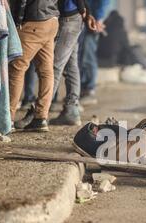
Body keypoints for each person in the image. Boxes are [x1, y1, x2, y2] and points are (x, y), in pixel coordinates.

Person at [9, 0, 60, 132]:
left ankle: (7, 118)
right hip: (52, 20)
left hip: (33, 21)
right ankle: (41, 118)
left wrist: (17, 21)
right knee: (46, 72)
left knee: (17, 68)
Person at [49, 0, 97, 126]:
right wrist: (86, 11)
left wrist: (83, 9)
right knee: (70, 66)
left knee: (55, 66)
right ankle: (71, 111)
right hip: (73, 17)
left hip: (70, 18)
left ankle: (39, 113)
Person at [79, 0, 111, 106]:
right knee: (82, 56)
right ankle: (84, 90)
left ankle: (89, 90)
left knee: (87, 57)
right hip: (86, 19)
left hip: (92, 21)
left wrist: (99, 18)